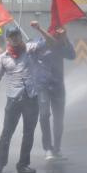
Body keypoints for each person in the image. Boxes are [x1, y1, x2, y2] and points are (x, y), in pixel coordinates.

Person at [0, 26, 44, 173]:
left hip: (31, 97)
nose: (15, 38)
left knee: (28, 133)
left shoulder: (29, 48)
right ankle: (0, 164)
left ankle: (23, 164)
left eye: (17, 35)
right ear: (7, 39)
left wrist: (38, 29)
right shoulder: (2, 57)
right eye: (11, 36)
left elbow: (46, 44)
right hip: (13, 99)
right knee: (7, 133)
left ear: (21, 36)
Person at [30, 23, 76, 160]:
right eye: (55, 32)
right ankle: (47, 148)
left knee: (59, 118)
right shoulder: (37, 43)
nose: (57, 34)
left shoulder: (62, 44)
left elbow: (72, 55)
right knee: (44, 115)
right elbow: (32, 53)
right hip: (42, 85)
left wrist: (65, 38)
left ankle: (57, 148)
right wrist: (40, 29)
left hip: (58, 85)